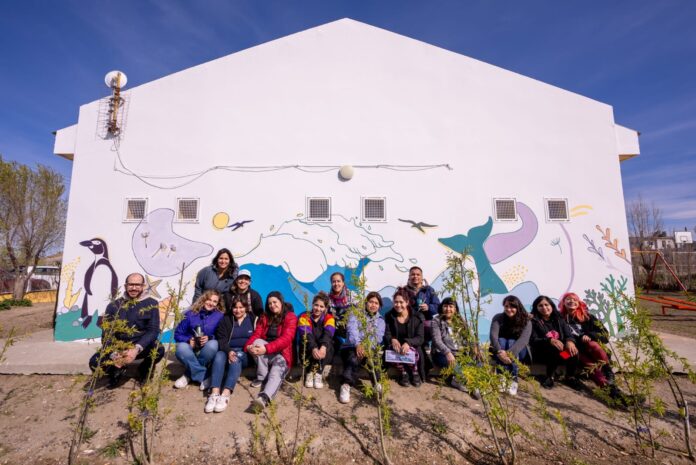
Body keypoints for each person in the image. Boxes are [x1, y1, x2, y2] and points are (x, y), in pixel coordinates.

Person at [88, 273, 164, 388]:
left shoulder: (152, 304)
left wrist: (136, 349)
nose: (134, 288)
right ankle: (116, 370)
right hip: (118, 347)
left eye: (137, 285)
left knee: (158, 350)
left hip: (139, 346)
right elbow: (107, 333)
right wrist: (114, 355)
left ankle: (144, 370)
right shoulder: (114, 305)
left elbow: (153, 330)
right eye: (131, 284)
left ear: (143, 286)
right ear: (125, 286)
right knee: (95, 362)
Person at [559, 292, 626, 401]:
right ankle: (615, 394)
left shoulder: (587, 317)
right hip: (571, 353)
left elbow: (605, 335)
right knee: (590, 366)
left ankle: (609, 375)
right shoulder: (559, 318)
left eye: (574, 299)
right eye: (568, 299)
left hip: (590, 350)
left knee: (592, 344)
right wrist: (568, 342)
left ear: (579, 303)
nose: (571, 301)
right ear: (563, 302)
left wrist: (590, 335)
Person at [245, 291, 298, 409]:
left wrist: (266, 348)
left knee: (276, 372)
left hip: (282, 355)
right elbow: (257, 334)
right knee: (256, 342)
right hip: (267, 352)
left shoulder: (290, 317)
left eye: (275, 302)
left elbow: (286, 339)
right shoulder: (265, 317)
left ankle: (264, 398)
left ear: (281, 302)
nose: (272, 305)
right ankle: (262, 377)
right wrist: (248, 346)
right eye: (269, 303)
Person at [205, 296, 257, 413]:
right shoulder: (226, 319)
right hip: (227, 349)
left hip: (245, 353)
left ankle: (226, 393)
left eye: (241, 307)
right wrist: (228, 351)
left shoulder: (253, 319)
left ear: (246, 308)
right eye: (235, 307)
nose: (238, 310)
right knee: (219, 356)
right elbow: (221, 339)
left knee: (235, 358)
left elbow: (258, 336)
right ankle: (214, 393)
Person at [339, 291, 386, 403]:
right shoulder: (356, 314)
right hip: (351, 346)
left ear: (379, 306)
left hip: (369, 348)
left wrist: (366, 346)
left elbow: (378, 337)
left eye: (376, 303)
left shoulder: (380, 321)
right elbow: (352, 330)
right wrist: (358, 344)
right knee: (354, 358)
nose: (373, 305)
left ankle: (377, 384)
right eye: (371, 302)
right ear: (366, 303)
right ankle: (346, 385)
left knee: (374, 360)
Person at [172, 290, 224, 390]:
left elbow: (221, 336)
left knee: (213, 344)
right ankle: (204, 376)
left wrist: (210, 338)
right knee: (181, 347)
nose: (211, 303)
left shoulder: (219, 316)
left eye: (215, 301)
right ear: (203, 299)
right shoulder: (190, 314)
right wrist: (188, 340)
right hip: (191, 349)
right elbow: (177, 334)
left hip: (207, 350)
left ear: (218, 304)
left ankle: (187, 375)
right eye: (209, 300)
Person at [530, 295, 581, 390]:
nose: (544, 308)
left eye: (546, 305)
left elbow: (568, 334)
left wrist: (570, 341)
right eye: (540, 305)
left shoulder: (559, 319)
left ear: (551, 306)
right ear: (536, 308)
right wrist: (549, 340)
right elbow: (533, 340)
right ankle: (550, 376)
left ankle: (570, 377)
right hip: (542, 354)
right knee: (554, 348)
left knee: (573, 352)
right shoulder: (534, 321)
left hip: (561, 355)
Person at [431, 297, 479, 397]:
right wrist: (447, 352)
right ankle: (467, 383)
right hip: (442, 354)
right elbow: (437, 340)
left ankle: (460, 381)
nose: (448, 309)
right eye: (445, 306)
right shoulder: (436, 320)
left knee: (478, 362)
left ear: (455, 309)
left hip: (460, 353)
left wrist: (474, 346)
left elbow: (469, 337)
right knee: (455, 364)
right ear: (441, 307)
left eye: (451, 306)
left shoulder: (460, 321)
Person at [489, 295, 532, 396]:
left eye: (512, 306)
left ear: (518, 307)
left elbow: (523, 340)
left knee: (512, 341)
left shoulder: (526, 320)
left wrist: (508, 354)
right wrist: (500, 352)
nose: (509, 309)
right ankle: (501, 377)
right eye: (506, 306)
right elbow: (493, 336)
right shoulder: (498, 318)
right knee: (501, 340)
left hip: (519, 351)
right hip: (499, 350)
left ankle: (513, 379)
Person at [384, 287, 425, 387]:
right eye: (396, 302)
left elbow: (420, 338)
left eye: (401, 302)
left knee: (413, 351)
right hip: (396, 348)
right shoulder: (389, 316)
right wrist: (392, 339)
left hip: (411, 347)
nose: (398, 305)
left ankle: (415, 372)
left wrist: (408, 343)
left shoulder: (417, 317)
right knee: (391, 350)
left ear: (407, 302)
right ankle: (403, 372)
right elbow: (387, 333)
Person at [297, 292, 336, 389]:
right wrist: (314, 348)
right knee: (306, 343)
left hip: (322, 350)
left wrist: (323, 347)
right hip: (309, 349)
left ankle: (318, 373)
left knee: (328, 344)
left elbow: (328, 333)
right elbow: (306, 334)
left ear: (325, 308)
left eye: (321, 306)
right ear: (312, 304)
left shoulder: (329, 318)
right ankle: (309, 372)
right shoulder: (304, 316)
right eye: (316, 305)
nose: (318, 309)